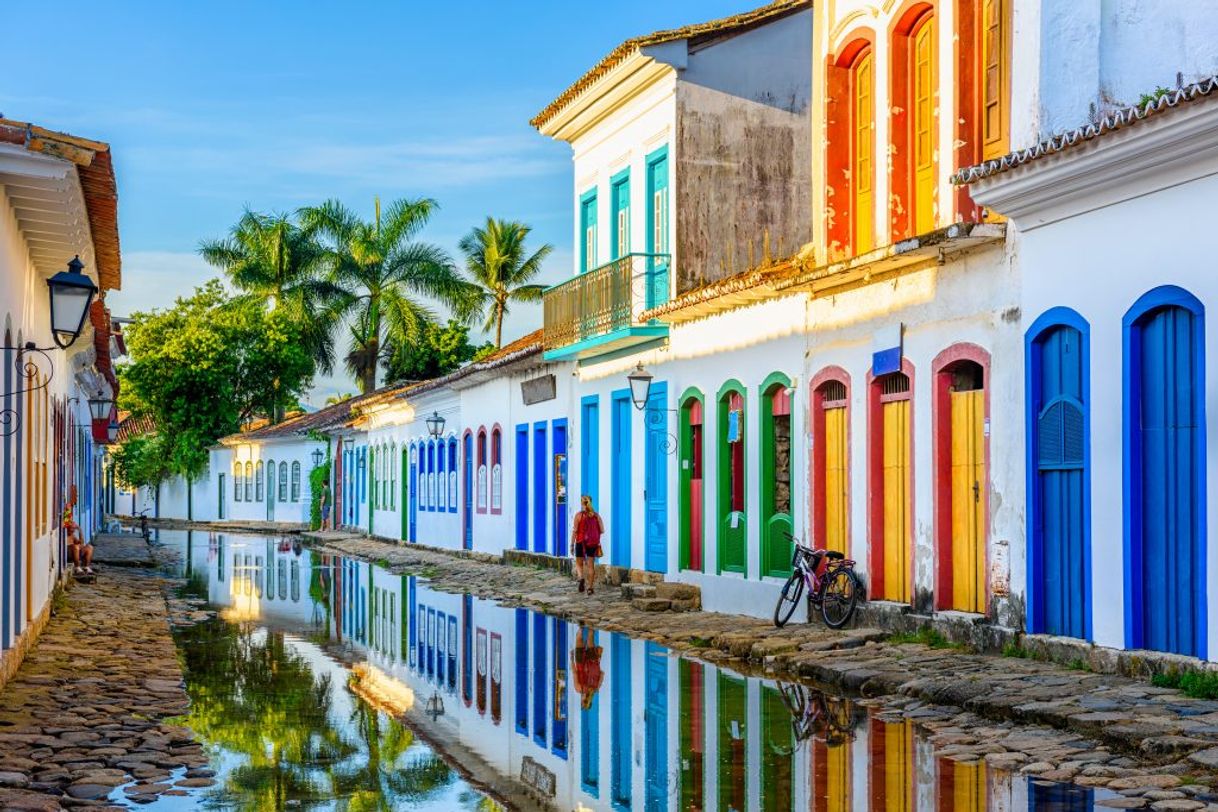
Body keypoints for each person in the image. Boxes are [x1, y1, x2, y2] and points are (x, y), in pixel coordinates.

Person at [572, 495, 604, 595]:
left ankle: (581, 578)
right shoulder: (596, 515)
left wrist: (571, 544)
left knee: (578, 563)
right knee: (591, 566)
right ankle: (590, 588)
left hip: (580, 542)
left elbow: (575, 531)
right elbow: (602, 530)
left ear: (582, 503)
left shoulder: (578, 515)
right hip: (592, 543)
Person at [571, 626, 603, 712]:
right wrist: (571, 658)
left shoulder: (596, 688)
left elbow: (602, 673)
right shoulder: (579, 689)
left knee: (590, 637)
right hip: (580, 663)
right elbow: (574, 673)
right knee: (579, 638)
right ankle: (581, 626)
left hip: (593, 662)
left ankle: (591, 623)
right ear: (582, 701)